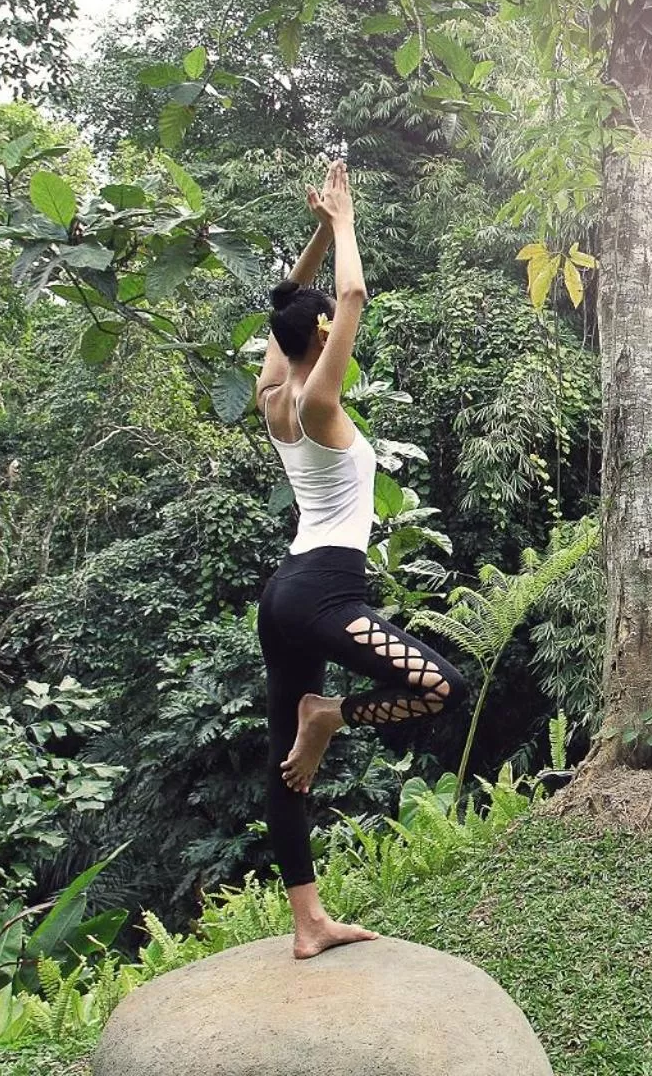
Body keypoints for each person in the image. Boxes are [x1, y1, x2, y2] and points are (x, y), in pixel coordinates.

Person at [252, 160, 468, 958]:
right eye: (325, 325)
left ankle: (308, 923)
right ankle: (330, 716)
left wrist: (316, 233)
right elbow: (352, 295)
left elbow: (289, 302)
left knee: (283, 761)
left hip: (285, 595)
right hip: (324, 593)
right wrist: (343, 221)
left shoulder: (273, 398)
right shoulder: (318, 402)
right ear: (320, 335)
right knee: (442, 688)